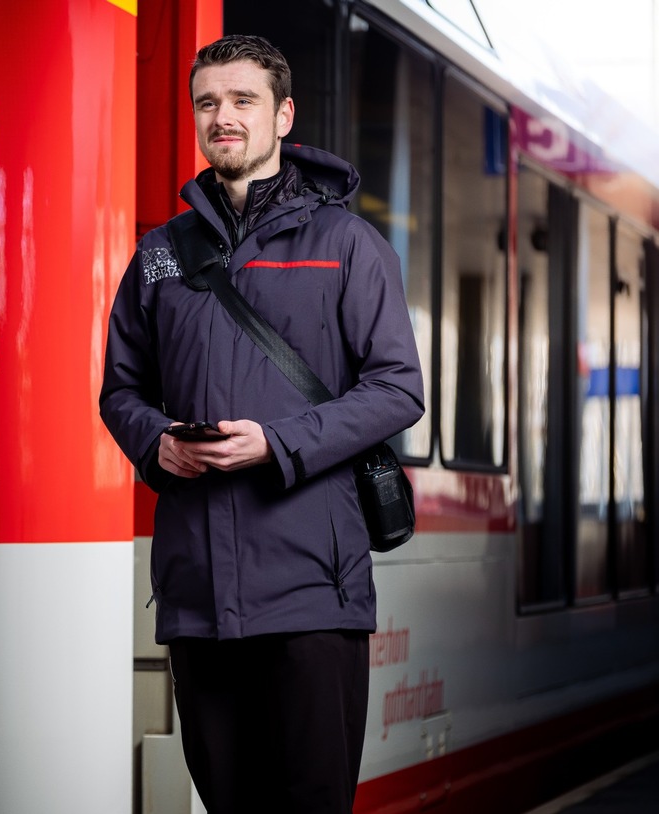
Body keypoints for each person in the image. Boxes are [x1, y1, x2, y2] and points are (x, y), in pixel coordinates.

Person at [100, 35, 424, 813]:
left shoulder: (347, 245)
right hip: (200, 595)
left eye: (243, 101)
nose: (224, 117)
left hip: (313, 588)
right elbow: (121, 389)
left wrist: (276, 444)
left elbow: (397, 388)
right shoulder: (159, 256)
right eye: (208, 103)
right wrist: (158, 443)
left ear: (282, 116)